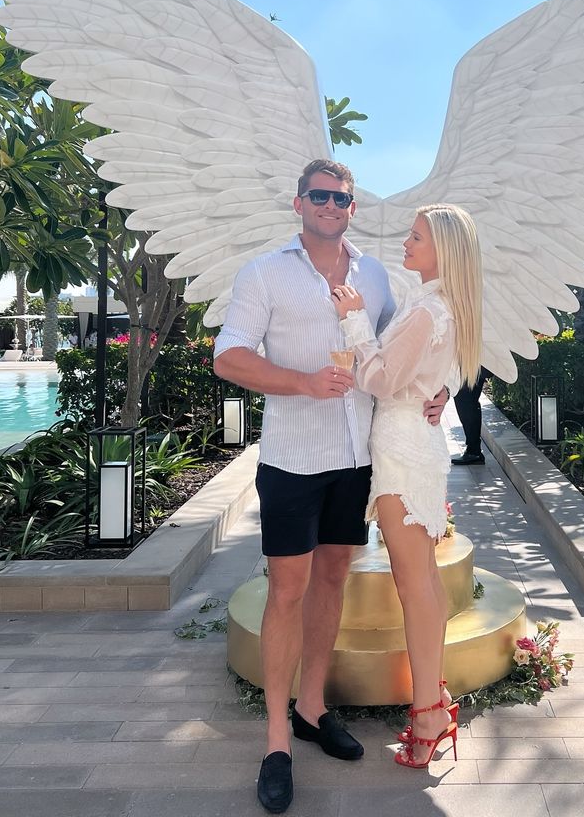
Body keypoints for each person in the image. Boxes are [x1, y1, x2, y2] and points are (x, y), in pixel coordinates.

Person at [213, 159, 447, 814]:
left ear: (350, 205)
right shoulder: (263, 273)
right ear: (298, 203)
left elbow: (416, 345)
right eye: (318, 195)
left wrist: (442, 391)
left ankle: (313, 708)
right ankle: (276, 742)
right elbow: (227, 356)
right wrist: (302, 381)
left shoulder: (375, 276)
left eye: (340, 197)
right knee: (286, 591)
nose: (329, 205)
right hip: (292, 458)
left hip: (356, 461)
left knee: (334, 579)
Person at [332, 202, 483, 769]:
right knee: (419, 581)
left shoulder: (428, 311)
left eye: (416, 237)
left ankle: (428, 712)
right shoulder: (438, 306)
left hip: (401, 451)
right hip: (410, 447)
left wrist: (353, 318)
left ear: (443, 248)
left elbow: (379, 378)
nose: (406, 242)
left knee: (413, 583)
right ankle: (432, 703)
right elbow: (422, 378)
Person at [449, 366, 489, 465]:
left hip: (473, 362)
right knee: (467, 401)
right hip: (472, 363)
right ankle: (473, 450)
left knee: (466, 401)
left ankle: (474, 451)